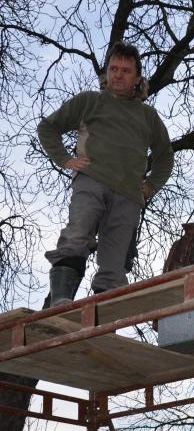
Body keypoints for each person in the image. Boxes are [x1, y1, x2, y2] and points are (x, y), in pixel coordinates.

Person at [37, 41, 174, 305]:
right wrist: (65, 159)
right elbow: (48, 127)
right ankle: (61, 300)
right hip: (92, 180)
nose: (118, 75)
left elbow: (165, 156)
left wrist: (151, 185)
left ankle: (104, 317)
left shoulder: (148, 116)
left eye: (125, 70)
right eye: (113, 69)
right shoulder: (91, 101)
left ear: (137, 78)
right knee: (77, 234)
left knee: (116, 260)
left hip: (129, 195)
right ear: (106, 72)